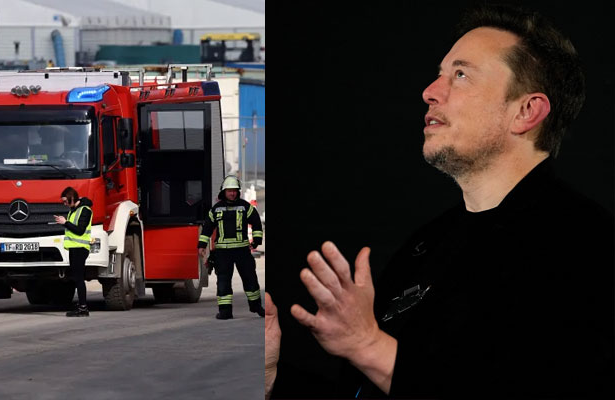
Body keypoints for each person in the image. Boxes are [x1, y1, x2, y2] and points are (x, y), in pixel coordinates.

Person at [266, 3, 614, 399]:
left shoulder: (587, 248)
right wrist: (271, 381)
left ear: (526, 111)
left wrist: (368, 347)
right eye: (439, 75)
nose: (430, 92)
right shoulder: (426, 248)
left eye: (461, 75)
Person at [198, 175, 265, 320]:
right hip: (223, 253)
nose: (233, 193)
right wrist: (202, 245)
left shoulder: (245, 207)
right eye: (230, 191)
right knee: (223, 282)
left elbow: (256, 222)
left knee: (250, 279)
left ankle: (256, 306)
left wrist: (257, 240)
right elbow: (207, 228)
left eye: (235, 191)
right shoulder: (216, 209)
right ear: (224, 192)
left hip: (242, 250)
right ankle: (225, 311)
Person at [54, 187, 94, 317]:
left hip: (80, 249)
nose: (64, 204)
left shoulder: (85, 210)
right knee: (76, 278)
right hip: (74, 248)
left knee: (79, 279)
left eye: (65, 201)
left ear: (72, 197)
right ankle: (81, 305)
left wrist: (65, 223)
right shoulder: (73, 210)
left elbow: (80, 230)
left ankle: (83, 308)